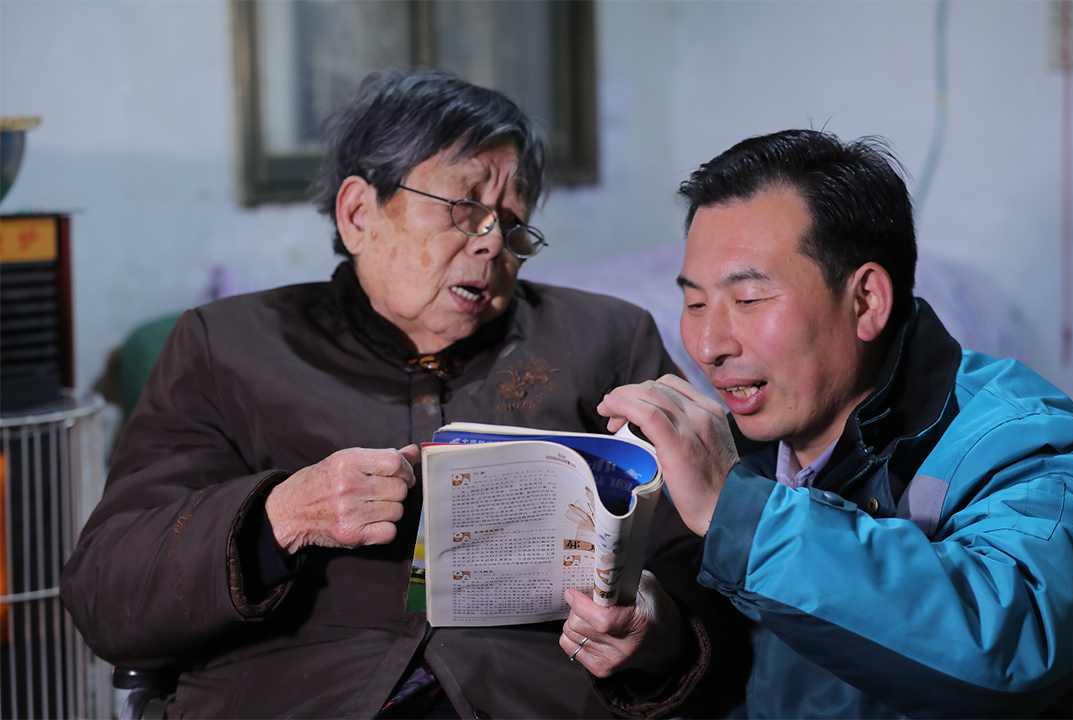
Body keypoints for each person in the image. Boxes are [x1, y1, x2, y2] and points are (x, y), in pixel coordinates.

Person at [59, 69, 717, 719]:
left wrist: (657, 631)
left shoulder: (605, 341)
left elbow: (705, 561)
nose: (492, 244)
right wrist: (281, 515)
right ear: (358, 214)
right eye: (464, 210)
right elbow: (106, 596)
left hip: (534, 695)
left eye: (512, 226)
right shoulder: (226, 346)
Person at [562, 129, 1073, 718]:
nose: (708, 347)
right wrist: (666, 644)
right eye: (695, 303)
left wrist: (736, 509)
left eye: (749, 299)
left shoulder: (1019, 440)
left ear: (866, 301)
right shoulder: (744, 441)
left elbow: (1010, 649)